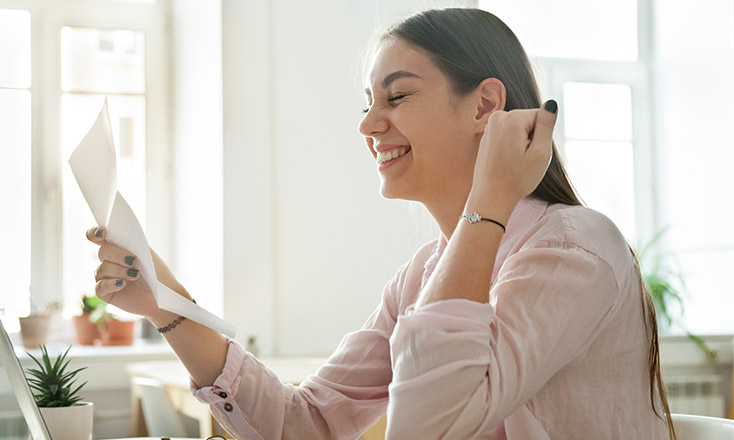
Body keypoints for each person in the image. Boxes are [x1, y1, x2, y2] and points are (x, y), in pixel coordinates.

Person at [87, 8, 675, 439]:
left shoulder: (574, 249)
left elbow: (427, 427)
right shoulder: (424, 276)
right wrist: (168, 304)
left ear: (485, 106)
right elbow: (304, 423)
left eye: (395, 98)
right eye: (367, 103)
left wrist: (491, 199)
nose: (369, 125)